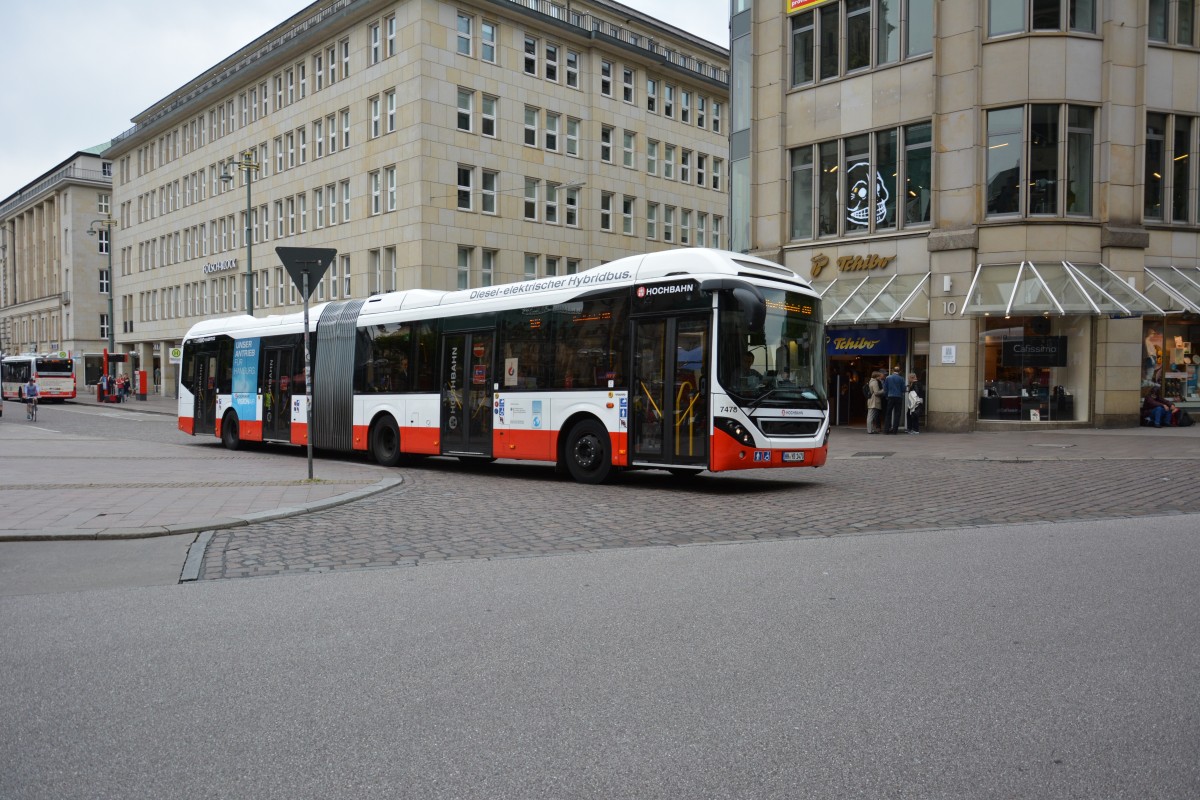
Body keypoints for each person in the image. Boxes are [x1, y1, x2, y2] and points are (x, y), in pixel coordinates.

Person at [883, 365, 906, 434]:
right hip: (898, 397)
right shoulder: (901, 378)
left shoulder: (888, 378)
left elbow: (885, 388)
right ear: (900, 371)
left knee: (888, 413)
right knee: (897, 413)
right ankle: (895, 430)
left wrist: (886, 396)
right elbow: (903, 389)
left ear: (893, 371)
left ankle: (886, 430)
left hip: (890, 396)